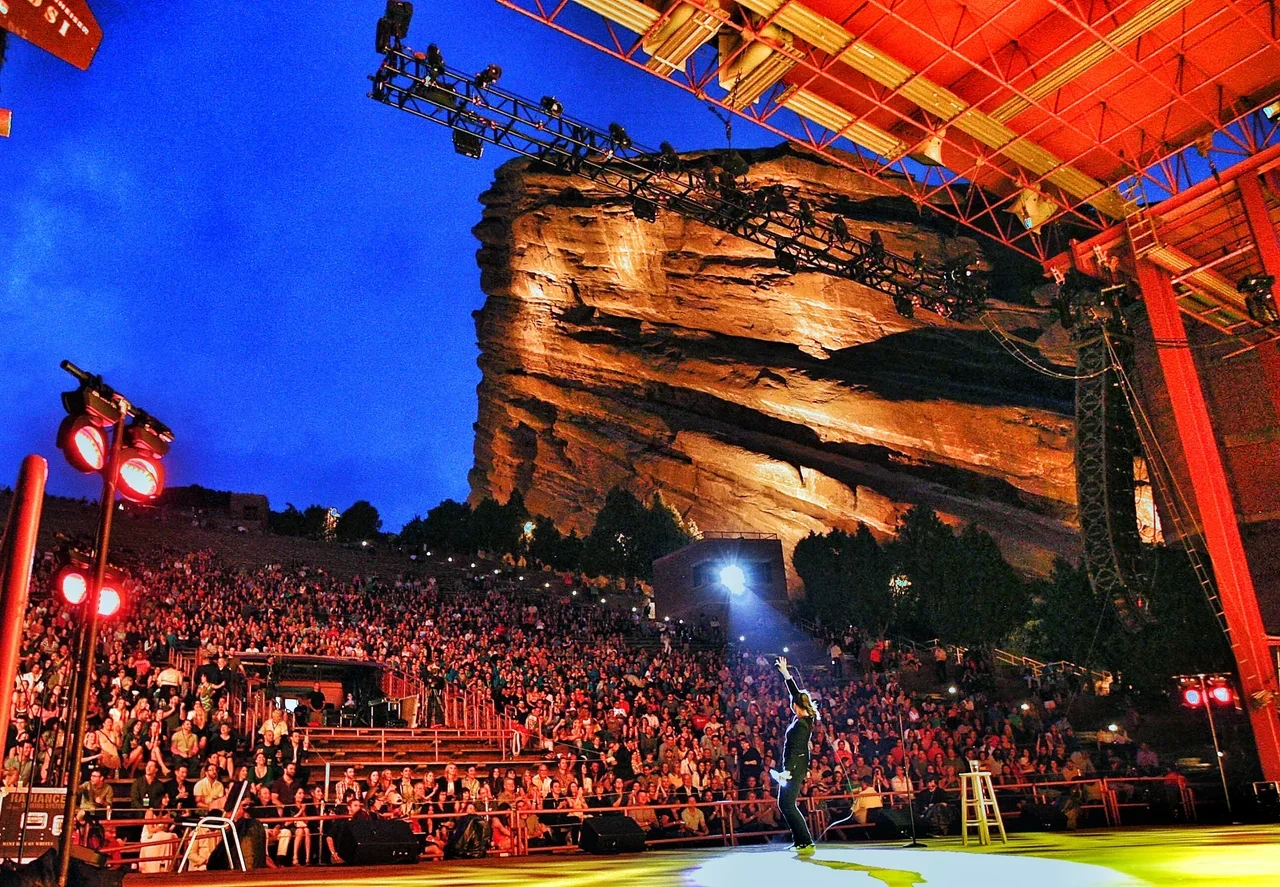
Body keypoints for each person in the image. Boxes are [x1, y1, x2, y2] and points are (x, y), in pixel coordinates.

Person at [772, 656, 816, 854]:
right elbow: (796, 693)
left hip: (794, 769)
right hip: (794, 769)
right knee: (787, 804)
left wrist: (787, 771)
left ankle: (804, 840)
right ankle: (800, 840)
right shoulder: (806, 719)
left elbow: (798, 750)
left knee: (787, 804)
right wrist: (786, 674)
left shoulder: (800, 725)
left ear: (796, 706)